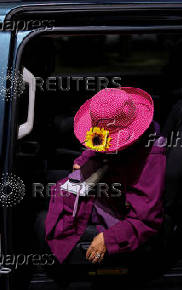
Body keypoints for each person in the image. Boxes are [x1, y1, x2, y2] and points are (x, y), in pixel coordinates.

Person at [42, 87, 166, 264]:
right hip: (102, 188)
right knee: (55, 196)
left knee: (45, 223)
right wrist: (84, 162)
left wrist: (108, 239)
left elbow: (147, 220)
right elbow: (97, 149)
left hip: (119, 209)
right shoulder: (115, 135)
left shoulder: (150, 157)